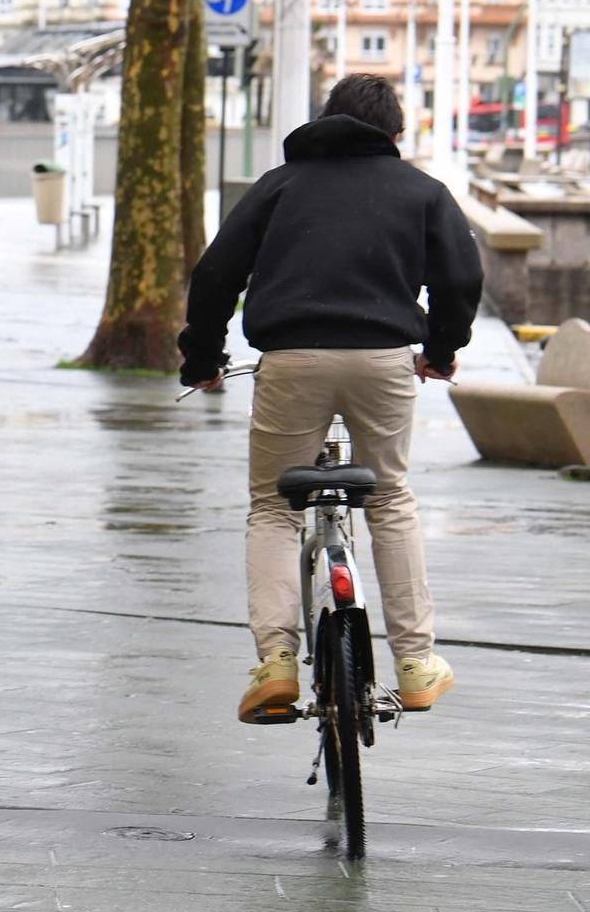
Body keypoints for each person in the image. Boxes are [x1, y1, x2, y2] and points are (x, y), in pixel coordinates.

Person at [178, 74, 483, 724]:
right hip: (384, 360)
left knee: (273, 505)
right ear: (395, 135)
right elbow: (461, 276)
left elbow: (214, 274)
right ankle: (416, 662)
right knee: (391, 496)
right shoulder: (422, 191)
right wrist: (441, 349)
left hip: (293, 357)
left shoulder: (280, 187)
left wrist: (202, 357)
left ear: (325, 121)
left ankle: (277, 662)